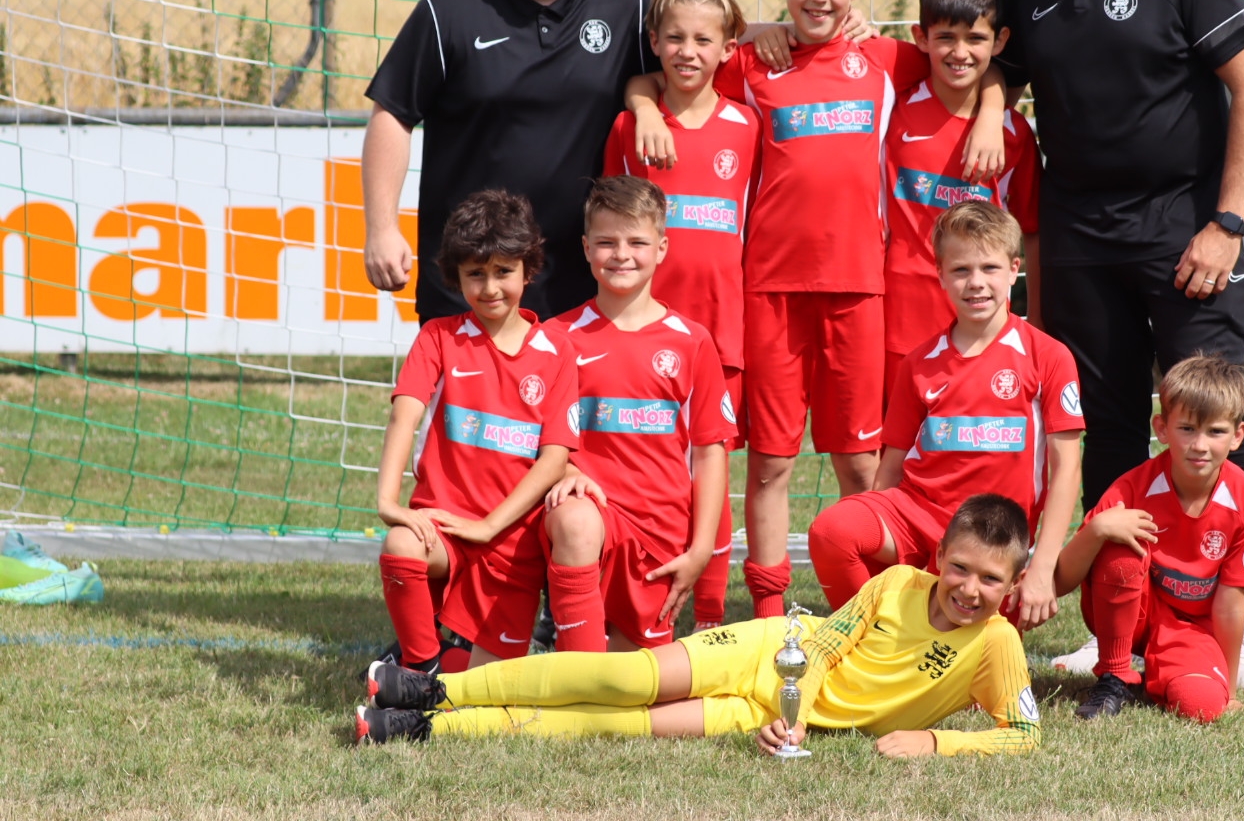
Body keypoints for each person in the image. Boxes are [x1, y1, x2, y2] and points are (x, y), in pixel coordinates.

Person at [625, 0, 1009, 620]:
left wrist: (991, 111)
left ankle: (870, 610)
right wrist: (645, 106)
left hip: (860, 292)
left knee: (859, 464)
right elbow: (668, 73)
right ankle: (769, 612)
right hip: (770, 291)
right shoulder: (754, 63)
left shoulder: (887, 59)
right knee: (771, 462)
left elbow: (974, 64)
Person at [993, 0, 1244, 687]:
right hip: (1079, 234)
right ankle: (1118, 619)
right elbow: (990, 68)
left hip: (1186, 229)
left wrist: (1227, 224)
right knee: (1107, 427)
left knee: (1206, 418)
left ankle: (1236, 624)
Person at [356, 493, 1041, 757]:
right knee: (625, 681)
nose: (969, 589)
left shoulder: (997, 645)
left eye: (990, 580)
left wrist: (932, 742)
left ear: (1012, 587)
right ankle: (434, 688)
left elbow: (1024, 735)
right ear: (938, 557)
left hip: (762, 713)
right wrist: (799, 715)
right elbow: (825, 648)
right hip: (765, 655)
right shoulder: (897, 583)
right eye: (959, 568)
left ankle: (421, 728)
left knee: (618, 726)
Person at [362, 0, 657, 322]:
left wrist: (782, 34)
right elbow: (393, 114)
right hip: (473, 284)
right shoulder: (448, 11)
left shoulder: (627, 6)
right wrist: (381, 228)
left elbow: (706, 41)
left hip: (590, 286)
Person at [808, 202, 1081, 625]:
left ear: (1015, 270)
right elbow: (891, 468)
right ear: (940, 275)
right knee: (833, 531)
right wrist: (879, 559)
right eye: (961, 270)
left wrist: (1042, 566)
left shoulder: (1048, 356)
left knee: (971, 657)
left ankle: (919, 627)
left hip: (994, 537)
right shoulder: (918, 362)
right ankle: (873, 636)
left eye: (989, 268)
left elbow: (1067, 469)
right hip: (918, 517)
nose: (976, 283)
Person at [602, 0, 760, 630]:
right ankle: (629, 601)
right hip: (641, 333)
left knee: (710, 467)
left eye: (702, 39)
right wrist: (641, 107)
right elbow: (611, 224)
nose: (687, 51)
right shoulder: (629, 128)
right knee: (637, 464)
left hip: (720, 331)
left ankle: (713, 619)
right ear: (653, 41)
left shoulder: (748, 126)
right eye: (674, 37)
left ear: (727, 48)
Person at [373, 190, 580, 674]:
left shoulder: (557, 351)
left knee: (490, 685)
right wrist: (388, 502)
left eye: (503, 271)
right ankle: (421, 667)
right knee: (401, 544)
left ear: (528, 270)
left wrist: (489, 526)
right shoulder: (438, 337)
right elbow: (404, 415)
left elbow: (554, 458)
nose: (490, 288)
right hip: (444, 529)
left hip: (511, 541)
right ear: (456, 275)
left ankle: (425, 668)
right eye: (475, 274)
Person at [542, 176, 735, 652]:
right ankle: (577, 669)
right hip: (589, 515)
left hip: (659, 533)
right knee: (576, 521)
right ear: (586, 248)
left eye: (637, 242)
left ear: (662, 248)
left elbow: (710, 454)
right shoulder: (556, 338)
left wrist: (701, 551)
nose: (621, 255)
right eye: (606, 242)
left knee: (636, 676)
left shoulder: (692, 342)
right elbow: (536, 437)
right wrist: (568, 470)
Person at [1052, 354, 1244, 723]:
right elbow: (1061, 581)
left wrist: (1228, 691)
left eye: (1215, 432)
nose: (1199, 445)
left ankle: (1163, 673)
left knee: (1201, 705)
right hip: (1133, 617)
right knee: (1121, 543)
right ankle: (1115, 674)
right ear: (1162, 428)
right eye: (1187, 429)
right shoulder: (1132, 487)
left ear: (1237, 435)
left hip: (1190, 632)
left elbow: (1230, 603)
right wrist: (1097, 529)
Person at [881, 0, 1042, 397]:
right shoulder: (893, 107)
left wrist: (1038, 317)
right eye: (946, 38)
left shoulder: (1013, 135)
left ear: (1000, 41)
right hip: (901, 317)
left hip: (983, 320)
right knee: (902, 431)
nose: (960, 52)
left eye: (975, 39)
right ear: (921, 38)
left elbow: (1032, 230)